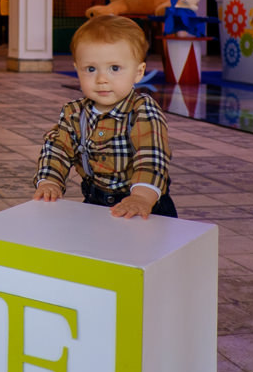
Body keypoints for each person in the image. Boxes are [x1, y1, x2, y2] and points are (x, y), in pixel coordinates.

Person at [33, 14, 177, 219]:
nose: (101, 79)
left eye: (115, 68)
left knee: (141, 249)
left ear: (138, 72)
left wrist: (142, 197)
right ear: (77, 70)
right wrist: (49, 181)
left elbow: (152, 156)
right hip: (95, 203)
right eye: (91, 69)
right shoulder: (74, 113)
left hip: (144, 205)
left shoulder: (142, 110)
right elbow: (58, 149)